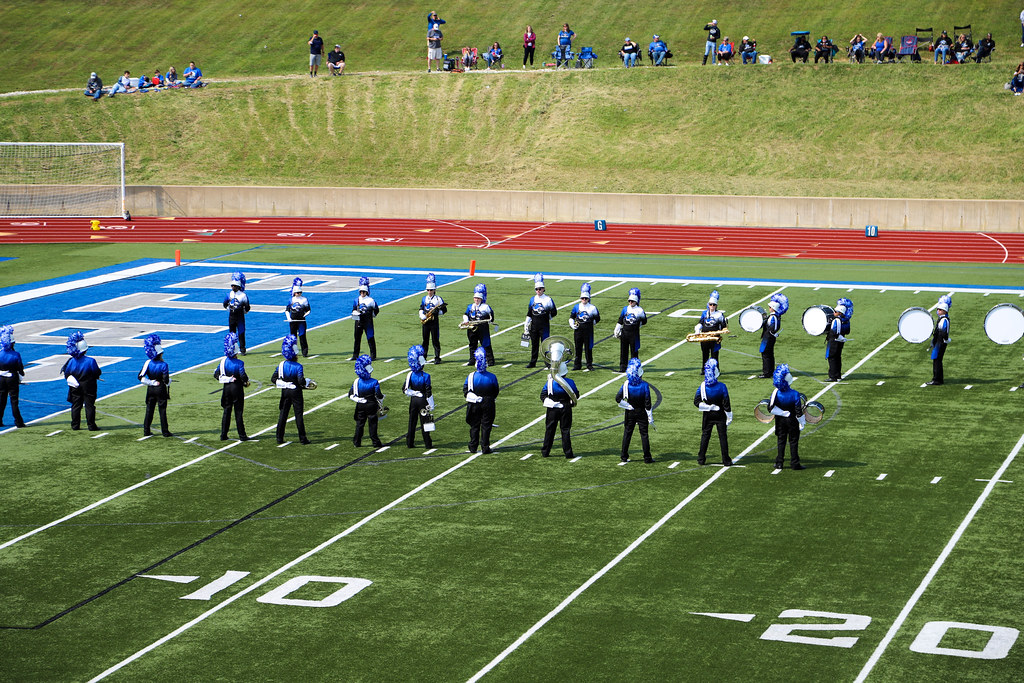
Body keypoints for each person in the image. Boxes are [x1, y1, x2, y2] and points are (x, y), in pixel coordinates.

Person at [272, 335, 314, 445]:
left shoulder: (281, 365)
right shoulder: (298, 366)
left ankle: (279, 437)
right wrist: (307, 382)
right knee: (298, 415)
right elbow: (301, 381)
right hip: (296, 392)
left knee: (283, 414)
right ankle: (302, 438)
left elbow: (273, 379)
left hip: (285, 392)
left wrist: (285, 384)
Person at [540, 350, 579, 459]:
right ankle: (568, 453)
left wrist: (548, 402)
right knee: (565, 430)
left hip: (552, 408)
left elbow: (542, 395)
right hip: (566, 407)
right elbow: (576, 394)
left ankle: (545, 451)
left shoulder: (550, 382)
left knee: (549, 430)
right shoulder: (570, 382)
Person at [694, 359, 732, 466]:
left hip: (707, 415)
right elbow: (726, 403)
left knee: (705, 436)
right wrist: (729, 416)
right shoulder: (722, 386)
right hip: (720, 415)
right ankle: (726, 460)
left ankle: (701, 458)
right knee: (722, 437)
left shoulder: (702, 387)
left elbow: (696, 402)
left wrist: (708, 407)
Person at [60, 331, 101, 431]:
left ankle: (75, 425)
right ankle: (91, 425)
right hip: (89, 386)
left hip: (75, 387)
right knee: (89, 405)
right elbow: (97, 372)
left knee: (76, 405)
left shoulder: (71, 361)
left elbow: (67, 373)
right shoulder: (91, 361)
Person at [616, 357, 653, 463]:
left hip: (630, 412)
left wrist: (628, 406)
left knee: (627, 433)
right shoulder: (645, 385)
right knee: (644, 434)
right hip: (641, 412)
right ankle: (647, 457)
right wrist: (650, 416)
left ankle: (624, 455)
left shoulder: (626, 384)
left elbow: (618, 398)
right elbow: (648, 403)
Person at [768, 364, 805, 470]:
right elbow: (798, 411)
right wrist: (802, 422)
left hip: (780, 421)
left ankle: (779, 462)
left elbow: (770, 408)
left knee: (781, 440)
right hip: (792, 420)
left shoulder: (775, 392)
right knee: (793, 441)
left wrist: (782, 413)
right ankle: (794, 463)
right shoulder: (794, 394)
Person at [214, 332, 249, 441]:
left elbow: (216, 374)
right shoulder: (239, 363)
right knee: (238, 412)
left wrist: (225, 379)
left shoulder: (223, 361)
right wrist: (245, 382)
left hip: (226, 389)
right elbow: (243, 375)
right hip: (237, 389)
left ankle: (223, 434)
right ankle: (242, 435)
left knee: (226, 411)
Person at [464, 348, 499, 454]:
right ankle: (485, 447)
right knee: (486, 426)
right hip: (488, 402)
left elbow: (465, 390)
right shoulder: (492, 377)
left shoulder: (471, 376)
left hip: (474, 403)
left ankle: (473, 446)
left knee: (474, 425)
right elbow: (496, 391)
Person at [137, 334, 172, 437]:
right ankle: (165, 432)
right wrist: (168, 381)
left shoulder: (148, 363)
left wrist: (151, 382)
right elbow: (165, 380)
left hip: (151, 389)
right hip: (160, 389)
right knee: (162, 411)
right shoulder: (164, 365)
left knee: (149, 410)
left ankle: (146, 431)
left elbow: (140, 377)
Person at [349, 353, 384, 448]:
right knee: (372, 424)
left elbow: (350, 394)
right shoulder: (374, 382)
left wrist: (359, 400)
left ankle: (357, 441)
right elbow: (378, 395)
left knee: (360, 424)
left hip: (360, 405)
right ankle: (375, 442)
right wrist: (382, 398)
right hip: (371, 404)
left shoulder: (356, 382)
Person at [404, 345, 434, 449]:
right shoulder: (426, 376)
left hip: (413, 401)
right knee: (425, 422)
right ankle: (428, 443)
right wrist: (431, 404)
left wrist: (414, 393)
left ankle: (410, 442)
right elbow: (428, 391)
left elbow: (405, 389)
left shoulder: (410, 375)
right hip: (422, 401)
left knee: (412, 422)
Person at [525, 273, 557, 368]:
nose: (538, 291)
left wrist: (548, 317)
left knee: (545, 345)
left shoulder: (548, 299)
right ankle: (533, 362)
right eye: (536, 289)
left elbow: (554, 311)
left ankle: (547, 363)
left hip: (544, 326)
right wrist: (526, 324)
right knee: (534, 345)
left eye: (540, 289)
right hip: (534, 326)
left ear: (543, 289)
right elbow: (529, 312)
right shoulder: (532, 299)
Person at [0, 325, 26, 429]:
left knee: (1, 400)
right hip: (12, 379)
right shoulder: (16, 355)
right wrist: (20, 378)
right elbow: (20, 368)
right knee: (14, 401)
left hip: (1, 379)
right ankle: (18, 422)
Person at [463, 283, 495, 366]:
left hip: (482, 328)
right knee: (472, 344)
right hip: (472, 328)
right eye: (475, 298)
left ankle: (490, 360)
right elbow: (465, 314)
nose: (476, 300)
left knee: (486, 344)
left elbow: (491, 315)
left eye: (478, 298)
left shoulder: (485, 307)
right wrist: (466, 320)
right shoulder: (470, 307)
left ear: (481, 299)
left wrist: (490, 321)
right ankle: (472, 360)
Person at [570, 283, 600, 371]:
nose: (584, 300)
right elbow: (571, 317)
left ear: (588, 299)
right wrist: (572, 325)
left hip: (588, 331)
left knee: (588, 348)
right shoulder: (576, 307)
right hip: (578, 331)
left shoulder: (592, 308)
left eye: (586, 298)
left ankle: (589, 364)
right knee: (578, 348)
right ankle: (577, 364)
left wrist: (590, 324)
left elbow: (597, 318)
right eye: (582, 298)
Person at [616, 287, 647, 372]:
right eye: (629, 301)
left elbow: (644, 321)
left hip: (634, 334)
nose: (630, 302)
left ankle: (635, 368)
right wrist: (617, 329)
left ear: (636, 301)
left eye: (632, 301)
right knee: (623, 351)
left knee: (634, 352)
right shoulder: (625, 309)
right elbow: (621, 319)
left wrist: (637, 325)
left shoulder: (640, 310)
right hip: (624, 333)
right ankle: (622, 367)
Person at [419, 272, 447, 364]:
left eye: (431, 290)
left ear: (434, 290)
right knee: (425, 340)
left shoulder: (438, 299)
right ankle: (424, 356)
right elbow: (421, 308)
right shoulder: (424, 298)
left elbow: (444, 310)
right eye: (428, 290)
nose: (429, 292)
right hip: (426, 322)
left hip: (434, 322)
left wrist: (437, 312)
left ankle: (437, 357)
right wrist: (422, 315)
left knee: (435, 340)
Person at [759, 293, 789, 379]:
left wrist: (770, 333)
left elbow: (773, 328)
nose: (769, 308)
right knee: (769, 354)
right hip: (769, 338)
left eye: (770, 307)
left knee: (766, 354)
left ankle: (767, 372)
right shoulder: (775, 316)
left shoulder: (773, 317)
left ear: (773, 308)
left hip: (768, 338)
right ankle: (770, 371)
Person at [695, 290, 726, 370]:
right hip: (705, 337)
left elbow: (723, 326)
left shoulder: (719, 314)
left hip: (714, 338)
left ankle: (715, 370)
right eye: (710, 304)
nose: (712, 306)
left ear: (716, 305)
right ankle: (704, 370)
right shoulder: (704, 313)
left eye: (714, 305)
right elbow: (701, 322)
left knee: (714, 355)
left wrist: (720, 331)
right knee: (705, 354)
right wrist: (697, 329)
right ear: (708, 305)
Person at [351, 276, 379, 360]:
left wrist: (371, 314)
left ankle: (373, 355)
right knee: (357, 338)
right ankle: (355, 355)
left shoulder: (370, 300)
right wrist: (355, 313)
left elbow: (376, 309)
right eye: (361, 291)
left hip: (368, 322)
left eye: (364, 291)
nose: (362, 293)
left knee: (370, 337)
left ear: (366, 292)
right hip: (359, 321)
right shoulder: (356, 300)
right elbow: (353, 309)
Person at [826, 297, 853, 382]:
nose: (834, 313)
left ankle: (833, 376)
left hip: (834, 341)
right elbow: (847, 331)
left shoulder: (837, 320)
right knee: (838, 357)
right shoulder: (846, 321)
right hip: (840, 341)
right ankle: (838, 375)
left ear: (840, 313)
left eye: (836, 311)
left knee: (832, 357)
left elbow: (834, 332)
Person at [223, 271, 250, 355]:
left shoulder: (243, 295)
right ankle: (232, 348)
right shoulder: (229, 294)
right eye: (232, 285)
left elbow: (247, 306)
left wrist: (244, 311)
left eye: (234, 286)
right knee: (232, 333)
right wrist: (229, 309)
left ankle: (242, 348)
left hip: (240, 316)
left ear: (238, 286)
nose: (232, 287)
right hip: (232, 316)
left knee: (241, 332)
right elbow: (224, 303)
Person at [928, 295, 951, 386]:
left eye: (940, 310)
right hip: (939, 342)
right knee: (937, 360)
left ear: (944, 311)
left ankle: (937, 379)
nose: (938, 311)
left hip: (940, 343)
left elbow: (943, 332)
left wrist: (938, 340)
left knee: (937, 360)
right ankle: (937, 378)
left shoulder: (944, 320)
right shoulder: (943, 319)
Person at [285, 277, 311, 357]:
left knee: (302, 335)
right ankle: (294, 351)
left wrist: (305, 314)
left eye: (300, 292)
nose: (298, 294)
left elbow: (308, 310)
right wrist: (288, 318)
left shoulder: (304, 300)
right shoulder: (291, 300)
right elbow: (287, 310)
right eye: (297, 292)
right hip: (293, 320)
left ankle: (304, 351)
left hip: (301, 320)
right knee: (293, 337)